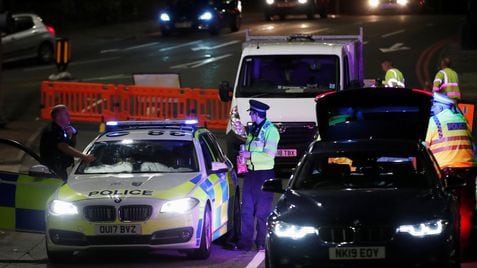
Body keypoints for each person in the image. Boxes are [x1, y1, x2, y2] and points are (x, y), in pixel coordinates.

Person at [425, 93, 476, 249]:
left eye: (434, 105)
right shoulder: (462, 120)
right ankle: (464, 246)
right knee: (466, 211)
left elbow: (425, 147)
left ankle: (448, 246)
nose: (432, 108)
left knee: (444, 211)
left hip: (447, 172)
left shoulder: (434, 122)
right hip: (468, 170)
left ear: (440, 106)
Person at [230, 100, 280, 251]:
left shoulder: (271, 131)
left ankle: (261, 243)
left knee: (262, 212)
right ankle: (245, 243)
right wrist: (243, 157)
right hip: (251, 174)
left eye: (251, 113)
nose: (250, 116)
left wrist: (249, 154)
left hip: (264, 175)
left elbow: (270, 156)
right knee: (247, 209)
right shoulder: (254, 129)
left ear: (256, 114)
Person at [40, 104, 95, 180]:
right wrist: (84, 156)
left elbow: (70, 146)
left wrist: (73, 134)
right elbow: (63, 147)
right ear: (58, 117)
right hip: (53, 170)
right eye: (66, 115)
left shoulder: (61, 130)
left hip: (60, 169)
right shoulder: (54, 130)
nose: (69, 117)